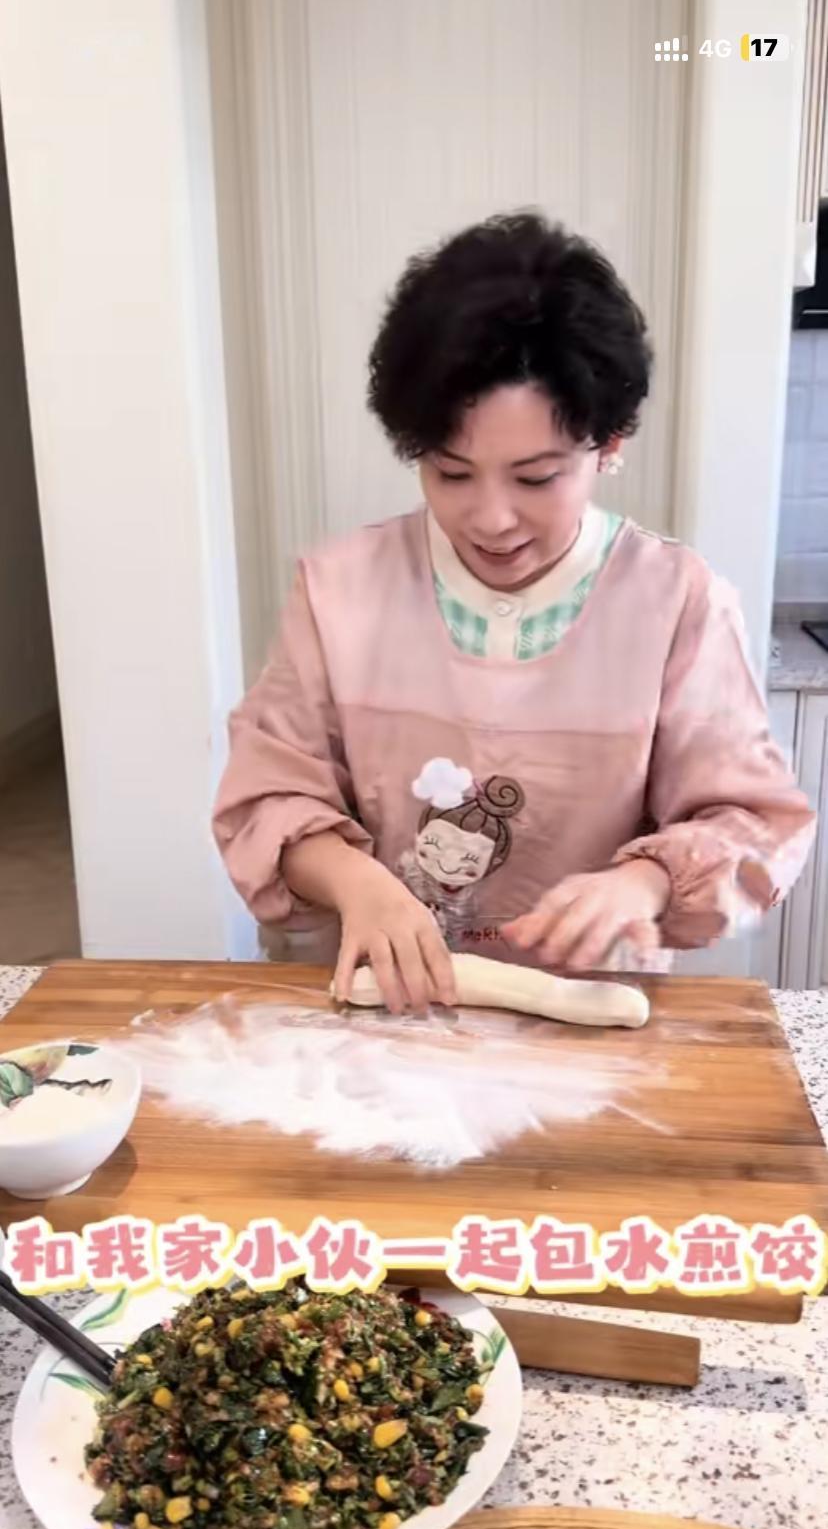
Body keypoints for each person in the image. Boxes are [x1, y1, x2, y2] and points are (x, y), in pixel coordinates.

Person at [213, 211, 814, 1015]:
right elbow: (267, 798)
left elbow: (754, 822)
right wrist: (358, 883)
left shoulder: (676, 601)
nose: (492, 519)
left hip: (589, 1020)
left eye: (536, 478)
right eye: (451, 473)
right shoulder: (340, 589)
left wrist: (645, 880)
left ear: (610, 443)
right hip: (379, 1016)